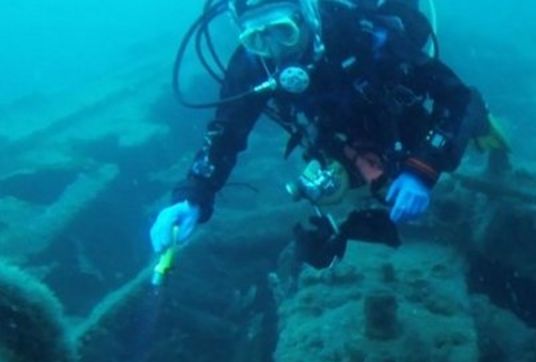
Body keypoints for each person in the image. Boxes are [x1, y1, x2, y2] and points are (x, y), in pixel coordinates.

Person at [150, 0, 502, 269]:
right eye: (257, 38)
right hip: (333, 138)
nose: (276, 50)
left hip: (397, 122)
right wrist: (193, 197)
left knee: (461, 126)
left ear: (307, 15)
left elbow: (461, 99)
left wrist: (422, 169)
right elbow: (226, 133)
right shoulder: (252, 62)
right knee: (345, 196)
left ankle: (480, 134)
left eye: (283, 31)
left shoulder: (366, 38)